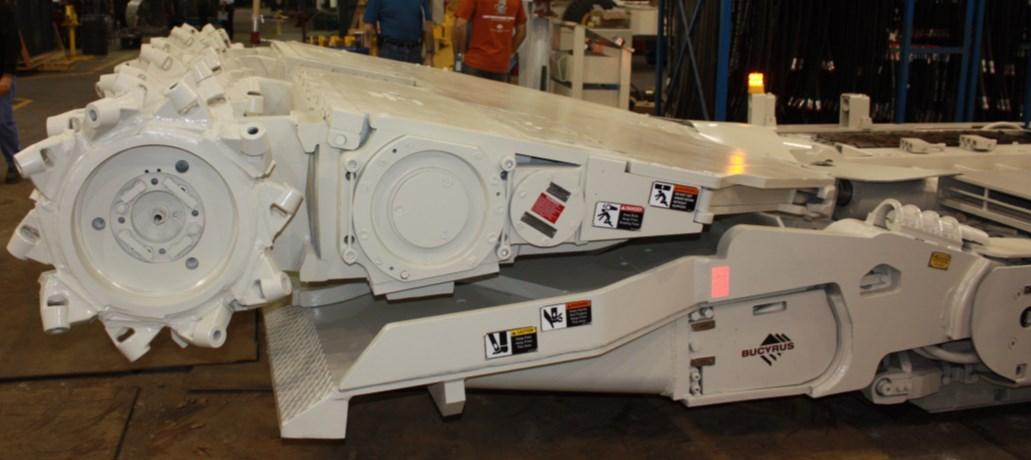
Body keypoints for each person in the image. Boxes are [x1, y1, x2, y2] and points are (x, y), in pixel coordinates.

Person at [452, 0, 526, 82]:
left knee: (468, 90)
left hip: (474, 63)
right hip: (501, 66)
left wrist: (459, 55)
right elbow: (522, 32)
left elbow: (459, 26)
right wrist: (508, 53)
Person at [363, 0, 433, 64]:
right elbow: (368, 27)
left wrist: (429, 54)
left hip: (414, 52)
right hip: (390, 52)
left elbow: (427, 26)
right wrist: (429, 55)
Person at [0, 0, 21, 184]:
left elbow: (13, 42)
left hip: (2, 75)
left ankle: (14, 162)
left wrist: (7, 74)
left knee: (3, 122)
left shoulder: (4, 9)